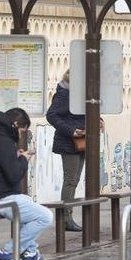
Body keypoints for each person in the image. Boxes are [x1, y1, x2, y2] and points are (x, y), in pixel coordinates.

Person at [0, 107, 51, 260]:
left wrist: (14, 156)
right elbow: (14, 175)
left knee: (27, 201)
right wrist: (23, 159)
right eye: (22, 131)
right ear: (16, 124)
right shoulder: (3, 141)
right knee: (45, 216)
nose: (20, 135)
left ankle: (31, 252)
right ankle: (8, 251)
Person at [46, 69, 85, 232]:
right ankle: (65, 219)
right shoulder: (64, 94)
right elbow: (52, 115)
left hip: (82, 141)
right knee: (70, 180)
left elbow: (81, 115)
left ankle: (67, 217)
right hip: (69, 143)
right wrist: (71, 130)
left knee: (74, 180)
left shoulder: (79, 94)